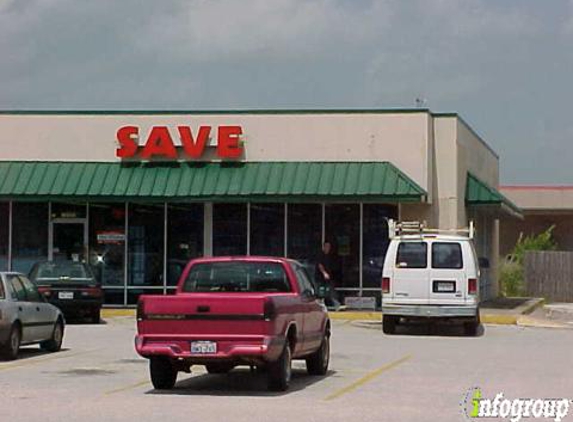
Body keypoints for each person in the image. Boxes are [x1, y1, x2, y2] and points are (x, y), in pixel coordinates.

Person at [315, 241, 341, 310]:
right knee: (320, 293)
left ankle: (336, 304)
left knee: (331, 290)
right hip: (320, 278)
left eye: (329, 247)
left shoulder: (329, 256)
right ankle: (319, 306)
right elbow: (320, 265)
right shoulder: (320, 255)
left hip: (327, 278)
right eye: (326, 246)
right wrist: (324, 273)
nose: (328, 248)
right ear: (323, 247)